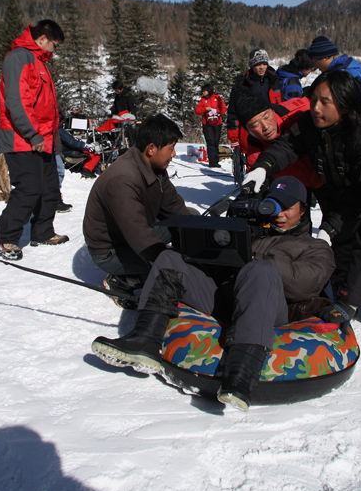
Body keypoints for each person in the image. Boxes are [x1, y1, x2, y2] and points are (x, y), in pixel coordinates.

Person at [91, 176, 335, 411]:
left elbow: (304, 284)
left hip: (268, 309)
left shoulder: (316, 247)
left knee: (261, 270)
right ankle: (145, 340)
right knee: (169, 258)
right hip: (226, 298)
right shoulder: (254, 231)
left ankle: (240, 376)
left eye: (288, 207)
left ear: (303, 210)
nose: (279, 213)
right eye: (274, 205)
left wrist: (252, 256)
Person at [244, 70, 361, 318]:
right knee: (335, 246)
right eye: (313, 100)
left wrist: (330, 227)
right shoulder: (311, 124)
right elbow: (289, 146)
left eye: (325, 102)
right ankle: (336, 294)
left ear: (344, 105)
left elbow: (359, 195)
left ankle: (349, 305)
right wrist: (263, 167)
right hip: (333, 188)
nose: (315, 108)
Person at [83, 114, 190, 297]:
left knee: (190, 222)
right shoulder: (123, 180)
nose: (174, 154)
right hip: (111, 250)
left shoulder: (155, 167)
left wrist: (202, 239)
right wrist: (170, 262)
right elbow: (138, 234)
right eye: (171, 148)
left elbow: (174, 205)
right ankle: (121, 281)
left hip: (132, 232)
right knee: (174, 273)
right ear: (151, 149)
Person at [0, 19, 69, 261]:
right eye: (54, 45)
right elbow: (16, 101)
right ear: (43, 38)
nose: (54, 51)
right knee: (29, 188)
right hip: (21, 138)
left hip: (43, 138)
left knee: (49, 188)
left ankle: (43, 231)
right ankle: (6, 236)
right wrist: (32, 133)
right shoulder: (19, 58)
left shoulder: (40, 62)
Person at [232, 91, 321, 192]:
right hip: (298, 186)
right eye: (255, 125)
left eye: (266, 117)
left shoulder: (300, 111)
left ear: (272, 110)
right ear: (247, 130)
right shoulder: (256, 147)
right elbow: (254, 174)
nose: (265, 126)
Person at [303, 35, 361, 120]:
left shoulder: (347, 75)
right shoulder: (348, 71)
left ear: (326, 57)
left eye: (316, 61)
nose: (316, 66)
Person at [225, 48, 280, 149]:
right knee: (254, 160)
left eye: (264, 64)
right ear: (252, 65)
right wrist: (233, 136)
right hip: (252, 131)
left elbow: (282, 104)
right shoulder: (241, 85)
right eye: (258, 65)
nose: (262, 67)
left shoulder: (274, 80)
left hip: (272, 127)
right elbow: (233, 111)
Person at [194, 83, 227, 168]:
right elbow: (197, 111)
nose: (203, 93)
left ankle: (216, 160)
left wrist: (216, 111)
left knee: (216, 142)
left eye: (204, 91)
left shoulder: (217, 98)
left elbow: (223, 109)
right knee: (210, 142)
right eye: (203, 91)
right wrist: (206, 109)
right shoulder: (202, 100)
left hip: (217, 123)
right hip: (207, 124)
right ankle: (212, 162)